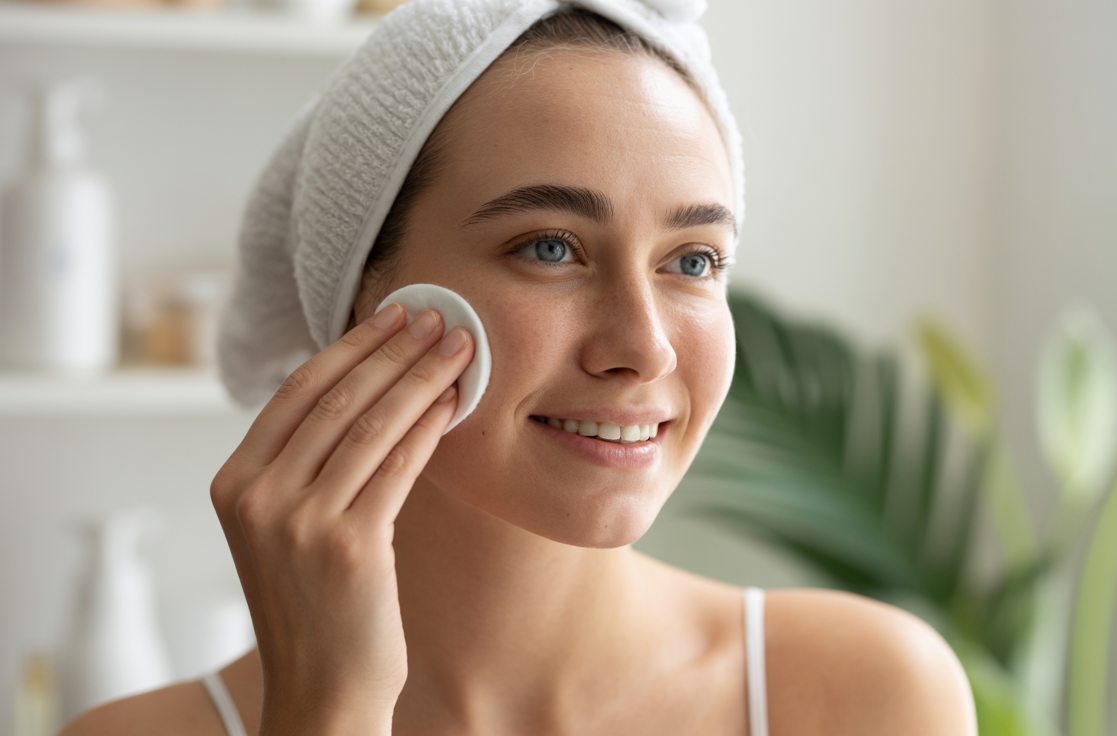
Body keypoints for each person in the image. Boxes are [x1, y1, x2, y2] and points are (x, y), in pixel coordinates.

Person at [62, 1, 975, 734]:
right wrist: (327, 713)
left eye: (693, 260)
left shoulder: (866, 697)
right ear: (358, 302)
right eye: (550, 247)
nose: (645, 346)